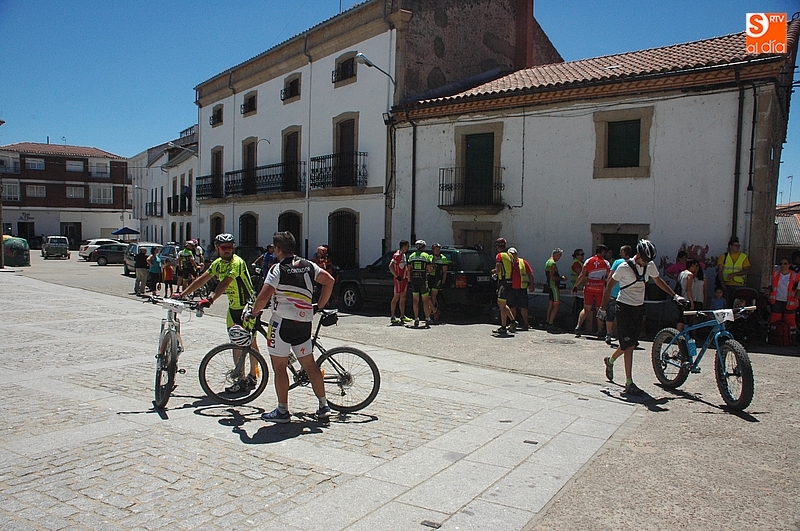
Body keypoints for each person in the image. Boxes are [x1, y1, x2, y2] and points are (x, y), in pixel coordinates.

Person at [247, 231, 335, 423]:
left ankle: (282, 410)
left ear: (277, 249)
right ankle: (323, 405)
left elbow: (264, 295)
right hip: (304, 323)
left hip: (282, 323)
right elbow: (329, 281)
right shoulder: (309, 265)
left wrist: (253, 312)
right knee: (310, 365)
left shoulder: (277, 269)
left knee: (279, 367)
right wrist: (319, 306)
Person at [599, 240, 687, 396]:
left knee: (630, 343)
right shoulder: (623, 267)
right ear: (638, 255)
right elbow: (609, 286)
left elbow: (658, 280)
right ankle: (629, 382)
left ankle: (610, 360)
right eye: (645, 259)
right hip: (624, 307)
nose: (646, 263)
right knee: (629, 345)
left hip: (638, 307)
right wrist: (603, 308)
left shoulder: (649, 265)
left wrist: (675, 295)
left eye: (649, 260)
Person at [178, 233, 260, 392]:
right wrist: (182, 294)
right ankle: (242, 378)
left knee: (249, 343)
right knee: (236, 343)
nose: (227, 250)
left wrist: (211, 299)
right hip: (233, 307)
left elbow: (225, 283)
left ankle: (252, 375)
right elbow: (202, 279)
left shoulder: (237, 262)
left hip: (248, 307)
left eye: (230, 247)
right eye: (223, 248)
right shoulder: (218, 263)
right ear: (217, 248)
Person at [573, 244, 611, 338]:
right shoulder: (606, 262)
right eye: (605, 252)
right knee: (600, 309)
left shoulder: (588, 261)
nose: (605, 254)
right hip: (600, 287)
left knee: (586, 309)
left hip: (589, 286)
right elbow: (609, 276)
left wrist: (576, 285)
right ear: (602, 252)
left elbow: (582, 274)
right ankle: (600, 330)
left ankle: (578, 327)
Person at [604, 245, 633, 345]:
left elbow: (610, 276)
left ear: (624, 252)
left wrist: (607, 289)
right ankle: (623, 335)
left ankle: (608, 334)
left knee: (610, 315)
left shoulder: (617, 262)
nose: (620, 253)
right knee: (625, 317)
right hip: (627, 294)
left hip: (614, 292)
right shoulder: (634, 263)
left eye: (621, 251)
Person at [768, 258, 800, 331]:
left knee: (790, 321)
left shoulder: (796, 276)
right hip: (777, 301)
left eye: (785, 263)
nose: (783, 265)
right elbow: (770, 286)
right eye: (781, 264)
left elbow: (798, 289)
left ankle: (791, 336)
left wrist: (797, 297)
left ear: (789, 265)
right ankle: (772, 334)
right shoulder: (775, 274)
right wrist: (768, 292)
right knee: (774, 320)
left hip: (790, 302)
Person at [507, 247, 535, 331]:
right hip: (511, 288)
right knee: (512, 306)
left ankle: (526, 323)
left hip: (521, 288)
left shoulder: (523, 262)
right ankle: (512, 323)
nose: (512, 256)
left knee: (524, 307)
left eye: (514, 254)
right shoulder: (508, 263)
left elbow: (530, 273)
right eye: (511, 254)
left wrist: (532, 285)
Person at [407, 240, 433, 328]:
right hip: (423, 280)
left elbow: (408, 270)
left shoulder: (411, 256)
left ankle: (416, 318)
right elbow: (430, 269)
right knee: (425, 300)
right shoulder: (426, 256)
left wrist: (409, 280)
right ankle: (427, 318)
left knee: (415, 300)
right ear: (423, 247)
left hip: (414, 280)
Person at [717, 237, 750, 305]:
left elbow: (747, 270)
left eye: (739, 245)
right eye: (736, 245)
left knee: (737, 304)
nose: (738, 247)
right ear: (730, 246)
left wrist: (734, 274)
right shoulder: (723, 256)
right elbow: (720, 271)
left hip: (739, 285)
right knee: (727, 303)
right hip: (726, 284)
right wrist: (722, 283)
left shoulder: (743, 257)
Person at [493, 237, 516, 335]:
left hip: (503, 282)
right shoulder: (510, 255)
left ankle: (503, 327)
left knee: (501, 305)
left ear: (498, 246)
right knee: (503, 303)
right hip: (509, 281)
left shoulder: (499, 256)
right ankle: (513, 321)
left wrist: (492, 272)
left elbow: (497, 269)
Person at [676, 259, 703, 331]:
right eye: (695, 266)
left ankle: (677, 333)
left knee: (681, 318)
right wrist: (692, 302)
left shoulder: (682, 273)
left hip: (680, 298)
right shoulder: (690, 275)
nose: (695, 268)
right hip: (686, 299)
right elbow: (689, 289)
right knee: (686, 319)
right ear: (691, 265)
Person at [389, 240, 412, 325]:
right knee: (396, 297)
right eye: (407, 246)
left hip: (404, 279)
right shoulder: (397, 255)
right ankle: (392, 316)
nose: (408, 248)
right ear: (404, 246)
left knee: (403, 297)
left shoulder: (404, 255)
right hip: (398, 280)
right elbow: (390, 266)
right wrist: (396, 276)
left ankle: (402, 315)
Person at [544, 248, 567, 331]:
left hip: (550, 285)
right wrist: (561, 278)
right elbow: (552, 277)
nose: (559, 258)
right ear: (556, 255)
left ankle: (547, 322)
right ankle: (551, 323)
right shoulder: (552, 263)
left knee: (551, 304)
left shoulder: (548, 262)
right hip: (553, 286)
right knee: (556, 305)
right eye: (559, 256)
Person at [427, 243, 450, 323]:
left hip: (437, 279)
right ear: (433, 250)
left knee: (433, 297)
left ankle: (432, 315)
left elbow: (444, 272)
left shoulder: (443, 258)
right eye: (436, 249)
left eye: (439, 249)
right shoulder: (429, 257)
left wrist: (443, 282)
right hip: (429, 278)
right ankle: (434, 311)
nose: (437, 250)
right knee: (427, 297)